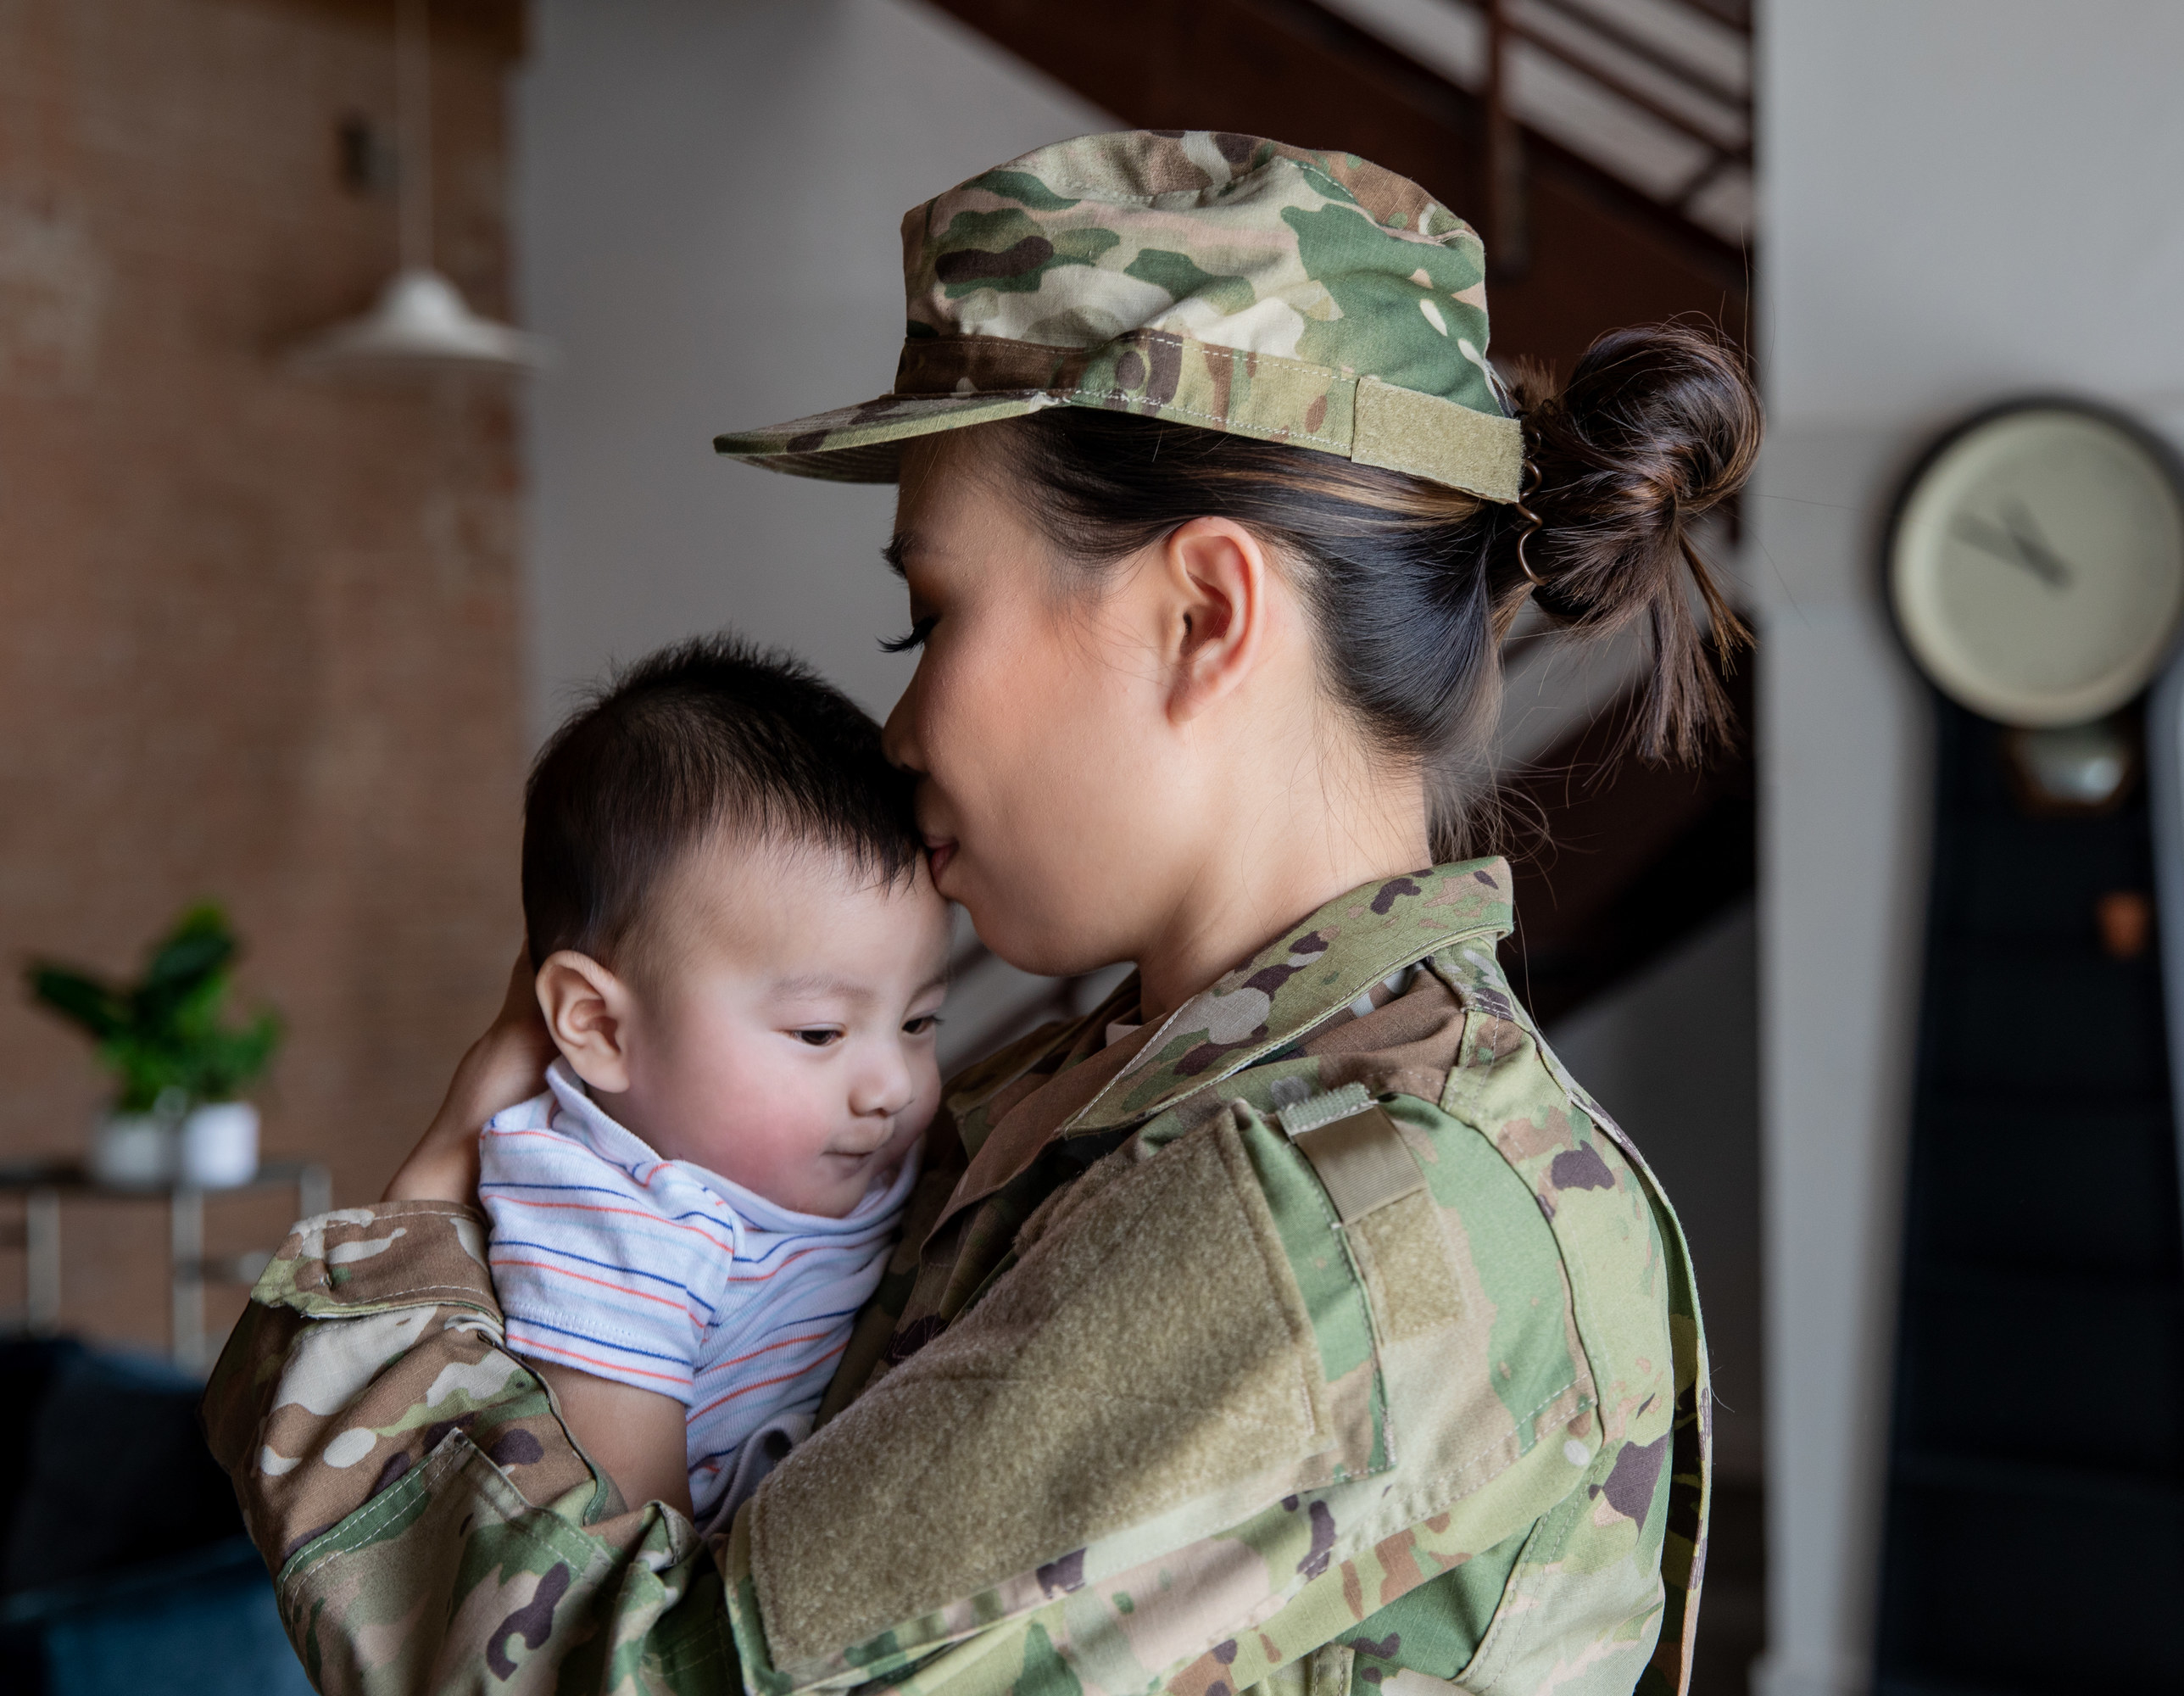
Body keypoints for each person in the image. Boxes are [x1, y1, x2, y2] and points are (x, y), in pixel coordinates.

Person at [204, 131, 1760, 1696]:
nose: (898, 727)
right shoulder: (1136, 1105)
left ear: (1204, 617)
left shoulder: (1334, 1208)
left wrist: (393, 1284)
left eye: (929, 614)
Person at [470, 638, 947, 1532]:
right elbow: (632, 1553)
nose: (890, 1085)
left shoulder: (885, 1153)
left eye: (921, 1021)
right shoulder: (612, 1220)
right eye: (819, 1031)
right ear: (602, 1026)